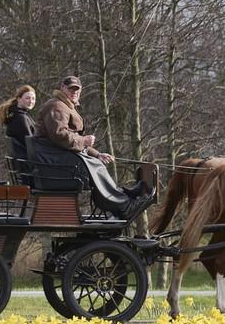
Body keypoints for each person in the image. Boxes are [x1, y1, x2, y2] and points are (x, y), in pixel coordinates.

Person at [34, 75, 153, 218]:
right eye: (71, 89)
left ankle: (122, 196)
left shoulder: (65, 105)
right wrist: (84, 141)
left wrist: (97, 154)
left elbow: (71, 140)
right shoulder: (57, 106)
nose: (74, 92)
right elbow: (59, 135)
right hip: (52, 160)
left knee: (97, 162)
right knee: (95, 166)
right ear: (62, 88)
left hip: (57, 155)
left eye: (77, 89)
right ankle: (124, 205)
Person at [0, 84, 37, 159]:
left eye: (33, 98)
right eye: (27, 98)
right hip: (29, 162)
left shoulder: (14, 115)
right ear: (19, 99)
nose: (31, 101)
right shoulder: (20, 118)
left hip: (23, 159)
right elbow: (30, 144)